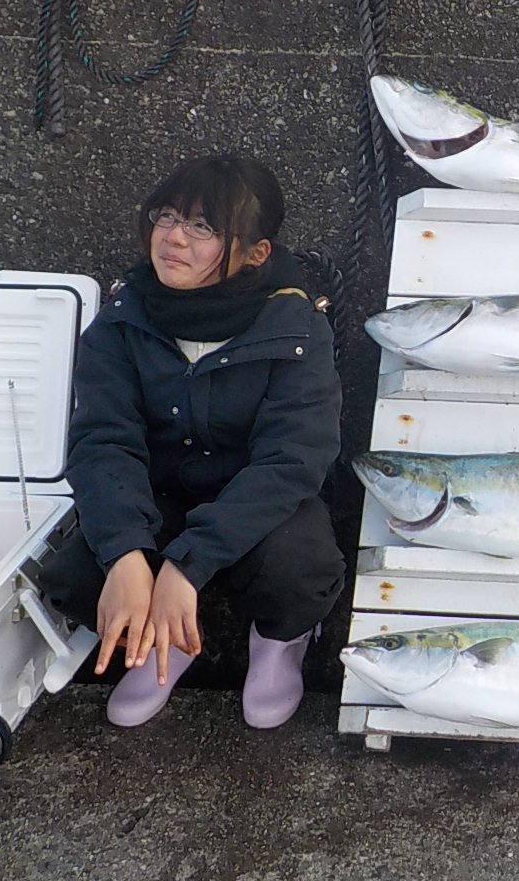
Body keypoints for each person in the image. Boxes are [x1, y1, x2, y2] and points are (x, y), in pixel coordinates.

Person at [41, 154, 344, 729]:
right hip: (160, 498)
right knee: (76, 575)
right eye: (166, 216)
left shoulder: (297, 326)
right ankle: (170, 641)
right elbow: (103, 442)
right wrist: (129, 554)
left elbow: (293, 460)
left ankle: (278, 646)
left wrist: (183, 569)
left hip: (257, 506)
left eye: (204, 227)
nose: (173, 237)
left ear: (255, 253)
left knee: (299, 566)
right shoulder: (122, 320)